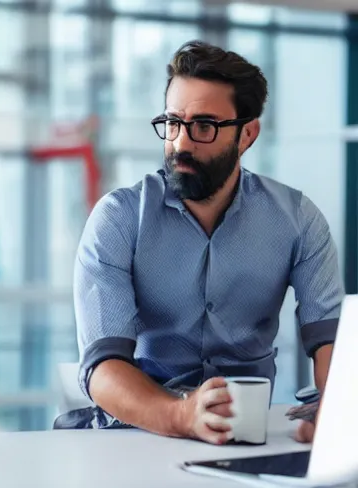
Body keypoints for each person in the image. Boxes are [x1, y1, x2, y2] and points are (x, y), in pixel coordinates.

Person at [64, 40, 344, 445]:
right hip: (136, 433)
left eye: (203, 126)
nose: (181, 143)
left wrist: (337, 411)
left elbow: (331, 340)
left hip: (248, 434)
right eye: (173, 122)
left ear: (247, 134)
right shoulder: (119, 219)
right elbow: (102, 367)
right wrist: (180, 415)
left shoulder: (297, 219)